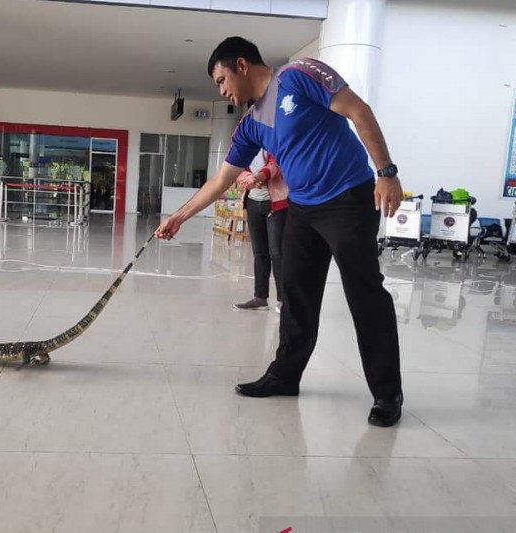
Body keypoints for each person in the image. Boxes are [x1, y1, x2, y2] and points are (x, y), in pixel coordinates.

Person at [154, 37, 405, 427]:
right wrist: (179, 217)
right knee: (295, 294)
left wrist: (386, 173)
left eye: (221, 80)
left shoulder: (298, 75)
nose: (221, 90)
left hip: (348, 198)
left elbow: (358, 109)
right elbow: (222, 179)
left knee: (365, 293)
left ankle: (388, 394)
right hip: (303, 207)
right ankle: (285, 376)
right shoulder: (250, 124)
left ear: (241, 65)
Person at [234, 151, 288, 313]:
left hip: (275, 204)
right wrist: (247, 178)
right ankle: (260, 298)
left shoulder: (272, 139)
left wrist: (258, 177)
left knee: (277, 252)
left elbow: (276, 165)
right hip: (253, 203)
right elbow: (236, 168)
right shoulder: (247, 144)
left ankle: (283, 300)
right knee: (259, 253)